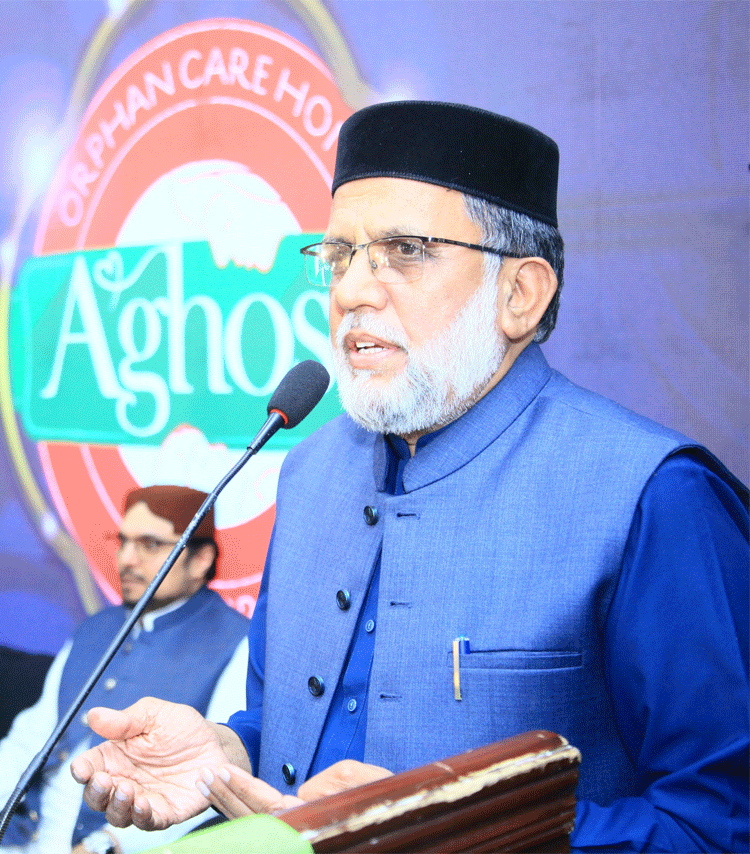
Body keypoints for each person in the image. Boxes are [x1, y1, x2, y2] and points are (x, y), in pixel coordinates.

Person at [69, 101, 748, 852]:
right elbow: (291, 729)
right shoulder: (308, 470)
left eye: (406, 250)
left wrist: (456, 828)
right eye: (338, 257)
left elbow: (719, 824)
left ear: (520, 293)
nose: (353, 290)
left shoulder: (653, 496)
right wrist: (225, 756)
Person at [0, 485, 249, 854]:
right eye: (123, 542)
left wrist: (108, 844)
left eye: (150, 544)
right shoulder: (95, 629)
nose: (127, 559)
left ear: (201, 559)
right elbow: (27, 747)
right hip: (19, 837)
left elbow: (216, 784)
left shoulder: (238, 644)